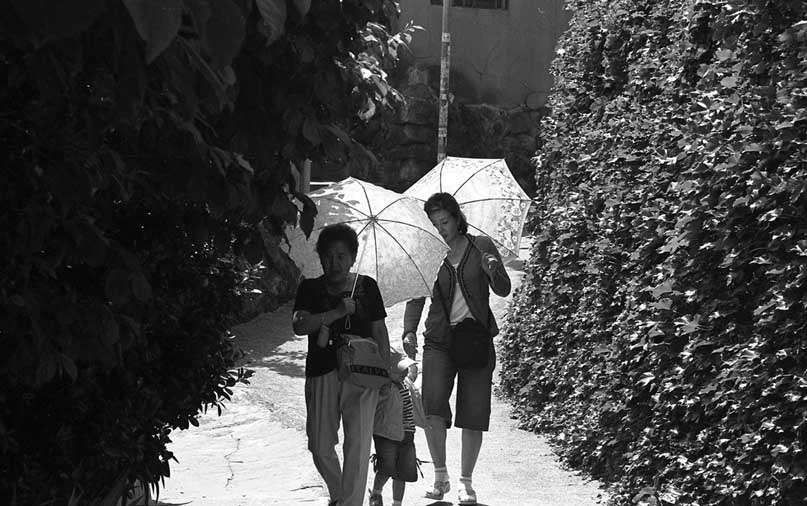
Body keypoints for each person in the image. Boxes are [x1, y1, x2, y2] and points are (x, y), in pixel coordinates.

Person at [401, 192, 511, 506]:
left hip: (476, 340)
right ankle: (440, 476)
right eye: (434, 224)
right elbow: (416, 296)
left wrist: (493, 270)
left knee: (473, 413)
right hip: (439, 340)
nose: (441, 229)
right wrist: (408, 330)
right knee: (432, 407)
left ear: (457, 218)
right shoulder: (428, 253)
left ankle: (466, 482)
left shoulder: (482, 247)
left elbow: (503, 289)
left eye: (445, 222)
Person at [292, 223, 391, 506]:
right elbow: (299, 325)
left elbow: (380, 330)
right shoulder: (310, 288)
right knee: (319, 445)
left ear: (352, 258)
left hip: (363, 372)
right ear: (320, 257)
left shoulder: (367, 286)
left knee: (358, 445)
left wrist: (385, 374)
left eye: (341, 256)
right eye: (328, 256)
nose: (334, 263)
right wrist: (336, 312)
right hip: (322, 370)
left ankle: (350, 503)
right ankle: (340, 495)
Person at [368, 348, 425, 506]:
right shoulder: (384, 387)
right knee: (385, 468)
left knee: (403, 473)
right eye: (400, 370)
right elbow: (374, 404)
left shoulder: (405, 383)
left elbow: (414, 374)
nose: (405, 372)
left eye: (406, 369)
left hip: (407, 434)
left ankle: (397, 503)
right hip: (386, 435)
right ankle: (376, 494)